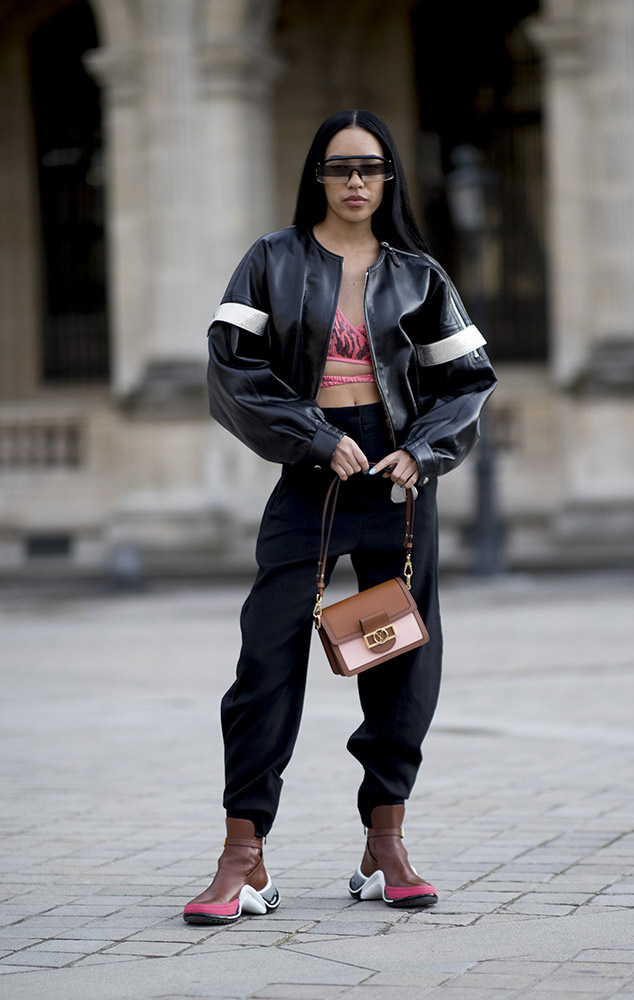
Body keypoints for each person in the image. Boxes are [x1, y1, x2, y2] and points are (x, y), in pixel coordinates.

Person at [184, 110, 497, 926]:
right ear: (316, 177)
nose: (355, 182)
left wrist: (422, 453)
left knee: (394, 657)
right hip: (312, 474)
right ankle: (242, 857)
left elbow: (468, 380)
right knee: (268, 657)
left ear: (388, 177)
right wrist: (315, 439)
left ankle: (383, 842)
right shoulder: (271, 261)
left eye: (370, 167)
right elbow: (230, 369)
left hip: (393, 482)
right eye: (339, 168)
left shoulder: (419, 274)